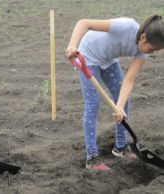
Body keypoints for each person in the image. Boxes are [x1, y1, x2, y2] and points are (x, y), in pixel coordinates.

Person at [66, 14, 164, 170]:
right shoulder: (126, 26)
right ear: (143, 37)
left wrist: (119, 105)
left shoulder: (142, 52)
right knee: (93, 104)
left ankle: (120, 147)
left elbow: (129, 80)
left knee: (124, 101)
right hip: (88, 56)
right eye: (151, 49)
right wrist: (72, 45)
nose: (150, 53)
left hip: (108, 60)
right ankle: (91, 157)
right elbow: (84, 22)